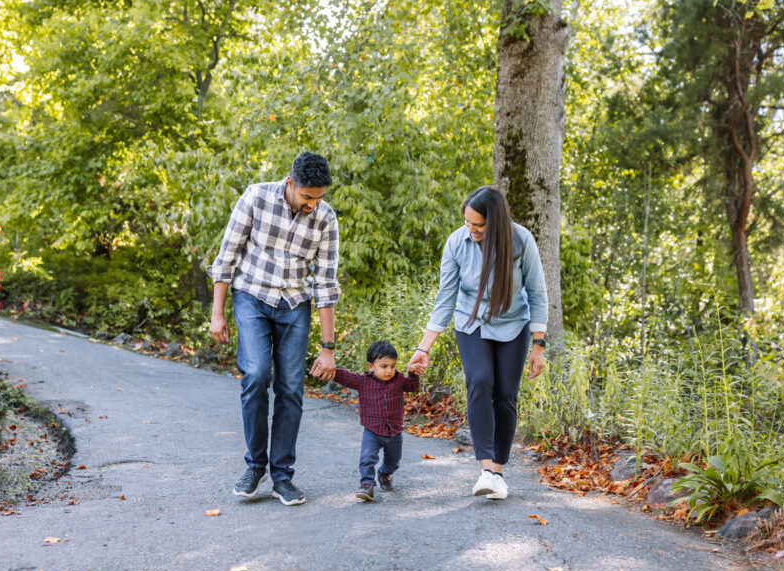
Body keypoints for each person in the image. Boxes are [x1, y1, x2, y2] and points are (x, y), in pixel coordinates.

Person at [208, 152, 340, 506]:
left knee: (291, 388)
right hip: (251, 295)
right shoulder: (256, 197)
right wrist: (217, 312)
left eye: (320, 197)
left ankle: (282, 476)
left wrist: (328, 347)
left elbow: (325, 283)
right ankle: (255, 467)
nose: (314, 204)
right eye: (307, 197)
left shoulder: (326, 219)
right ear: (290, 183)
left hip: (295, 304)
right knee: (256, 374)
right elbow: (227, 256)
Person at [406, 186, 547, 500]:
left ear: (495, 222)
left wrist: (539, 345)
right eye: (468, 222)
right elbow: (445, 299)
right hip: (471, 323)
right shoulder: (457, 242)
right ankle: (484, 470)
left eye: (479, 225)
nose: (471, 229)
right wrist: (423, 347)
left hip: (513, 325)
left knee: (506, 397)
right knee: (480, 381)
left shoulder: (521, 241)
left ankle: (498, 472)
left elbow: (537, 293)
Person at [317, 341, 424, 501]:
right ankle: (366, 484)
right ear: (370, 366)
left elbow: (412, 386)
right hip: (372, 431)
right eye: (384, 366)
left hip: (394, 432)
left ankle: (384, 474)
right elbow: (344, 376)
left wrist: (413, 373)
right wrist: (327, 370)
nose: (389, 371)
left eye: (392, 366)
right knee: (367, 458)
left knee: (394, 462)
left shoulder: (399, 380)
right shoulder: (363, 381)